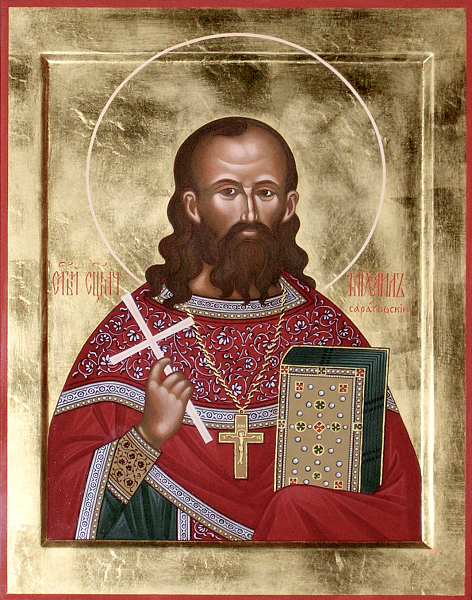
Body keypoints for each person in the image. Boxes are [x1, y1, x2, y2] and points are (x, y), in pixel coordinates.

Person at [47, 117, 421, 542]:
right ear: (192, 206)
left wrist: (302, 508)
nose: (249, 213)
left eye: (265, 193)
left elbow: (397, 501)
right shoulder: (134, 330)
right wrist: (147, 435)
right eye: (228, 191)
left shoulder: (323, 329)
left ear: (289, 205)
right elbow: (64, 508)